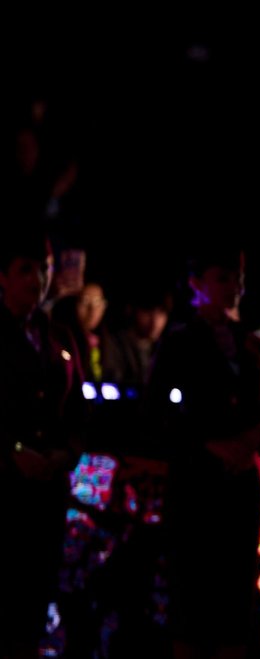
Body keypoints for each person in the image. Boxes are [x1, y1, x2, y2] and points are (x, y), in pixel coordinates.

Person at [145, 244, 260, 659]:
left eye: (238, 276)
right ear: (197, 284)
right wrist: (211, 444)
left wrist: (252, 440)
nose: (235, 286)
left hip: (241, 490)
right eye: (223, 277)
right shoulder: (179, 342)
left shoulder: (253, 345)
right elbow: (158, 413)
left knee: (235, 596)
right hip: (195, 488)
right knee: (192, 595)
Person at [0, 226, 88, 659]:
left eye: (45, 270)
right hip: (3, 495)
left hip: (47, 497)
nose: (38, 280)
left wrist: (64, 454)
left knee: (34, 611)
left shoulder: (60, 337)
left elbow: (78, 413)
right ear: (3, 277)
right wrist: (13, 453)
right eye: (27, 270)